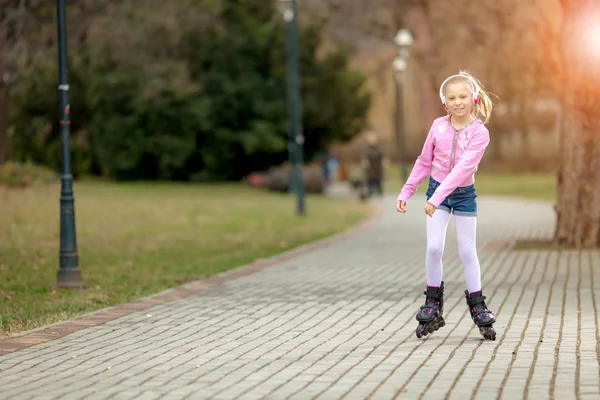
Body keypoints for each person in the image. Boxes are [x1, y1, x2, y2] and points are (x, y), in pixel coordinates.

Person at [395, 71, 497, 340]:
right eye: (452, 98)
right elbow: (424, 161)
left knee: (466, 250)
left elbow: (464, 169)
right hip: (435, 192)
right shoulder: (438, 126)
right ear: (445, 101)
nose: (458, 102)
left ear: (473, 98)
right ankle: (433, 303)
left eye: (463, 96)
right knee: (434, 246)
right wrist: (408, 190)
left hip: (462, 194)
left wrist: (436, 197)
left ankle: (478, 305)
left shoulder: (479, 133)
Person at [361, 130, 385, 198]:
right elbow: (364, 156)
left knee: (378, 180)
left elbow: (382, 155)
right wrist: (364, 161)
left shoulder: (379, 148)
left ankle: (380, 193)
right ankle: (370, 193)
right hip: (370, 168)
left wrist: (384, 160)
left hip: (377, 167)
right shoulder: (366, 148)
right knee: (370, 180)